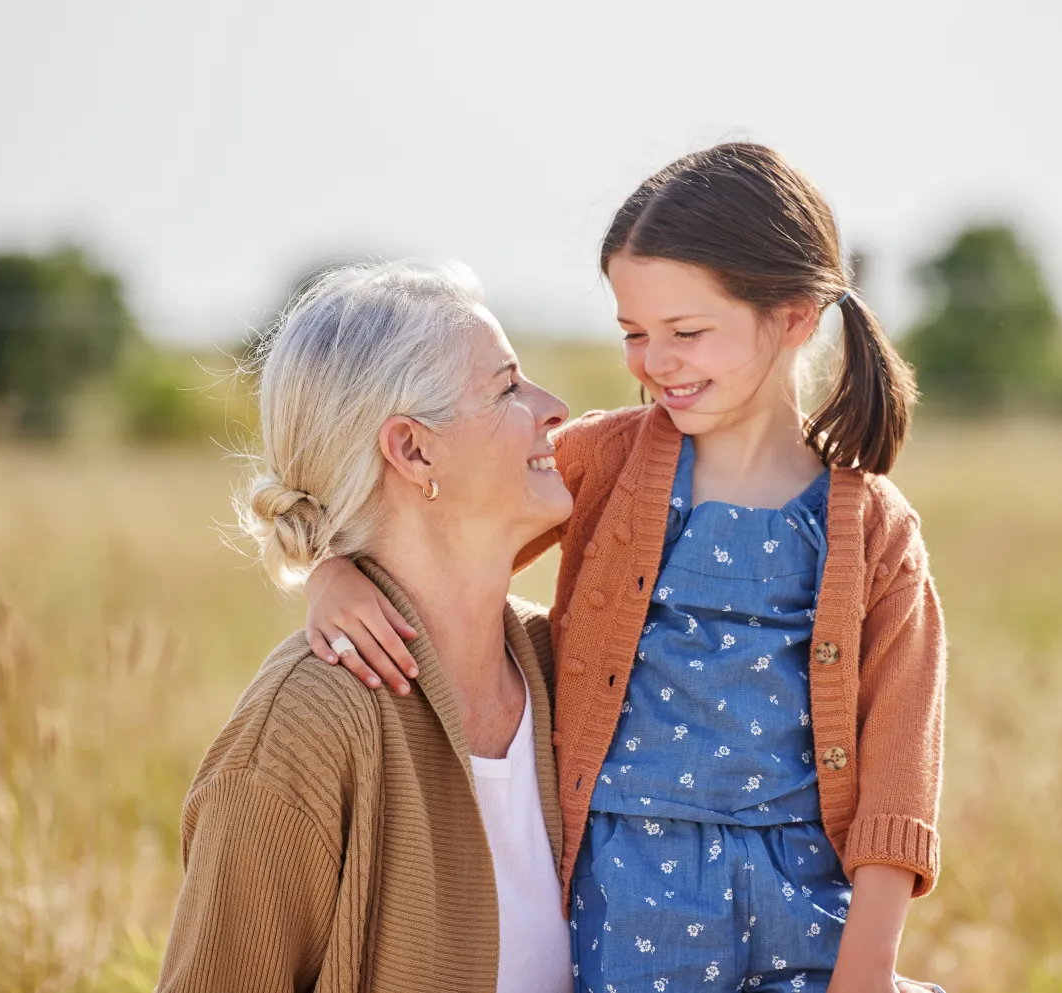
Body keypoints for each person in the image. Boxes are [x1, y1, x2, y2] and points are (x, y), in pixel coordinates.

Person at [306, 143, 947, 993]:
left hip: (808, 897)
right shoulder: (608, 462)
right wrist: (336, 570)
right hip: (631, 897)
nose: (653, 362)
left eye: (686, 332)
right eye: (634, 333)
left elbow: (901, 763)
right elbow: (447, 522)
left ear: (794, 316)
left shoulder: (874, 528)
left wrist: (867, 966)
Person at [157, 261, 576, 993]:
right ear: (413, 450)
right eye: (508, 386)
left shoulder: (569, 665)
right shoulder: (303, 729)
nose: (556, 407)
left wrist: (331, 568)